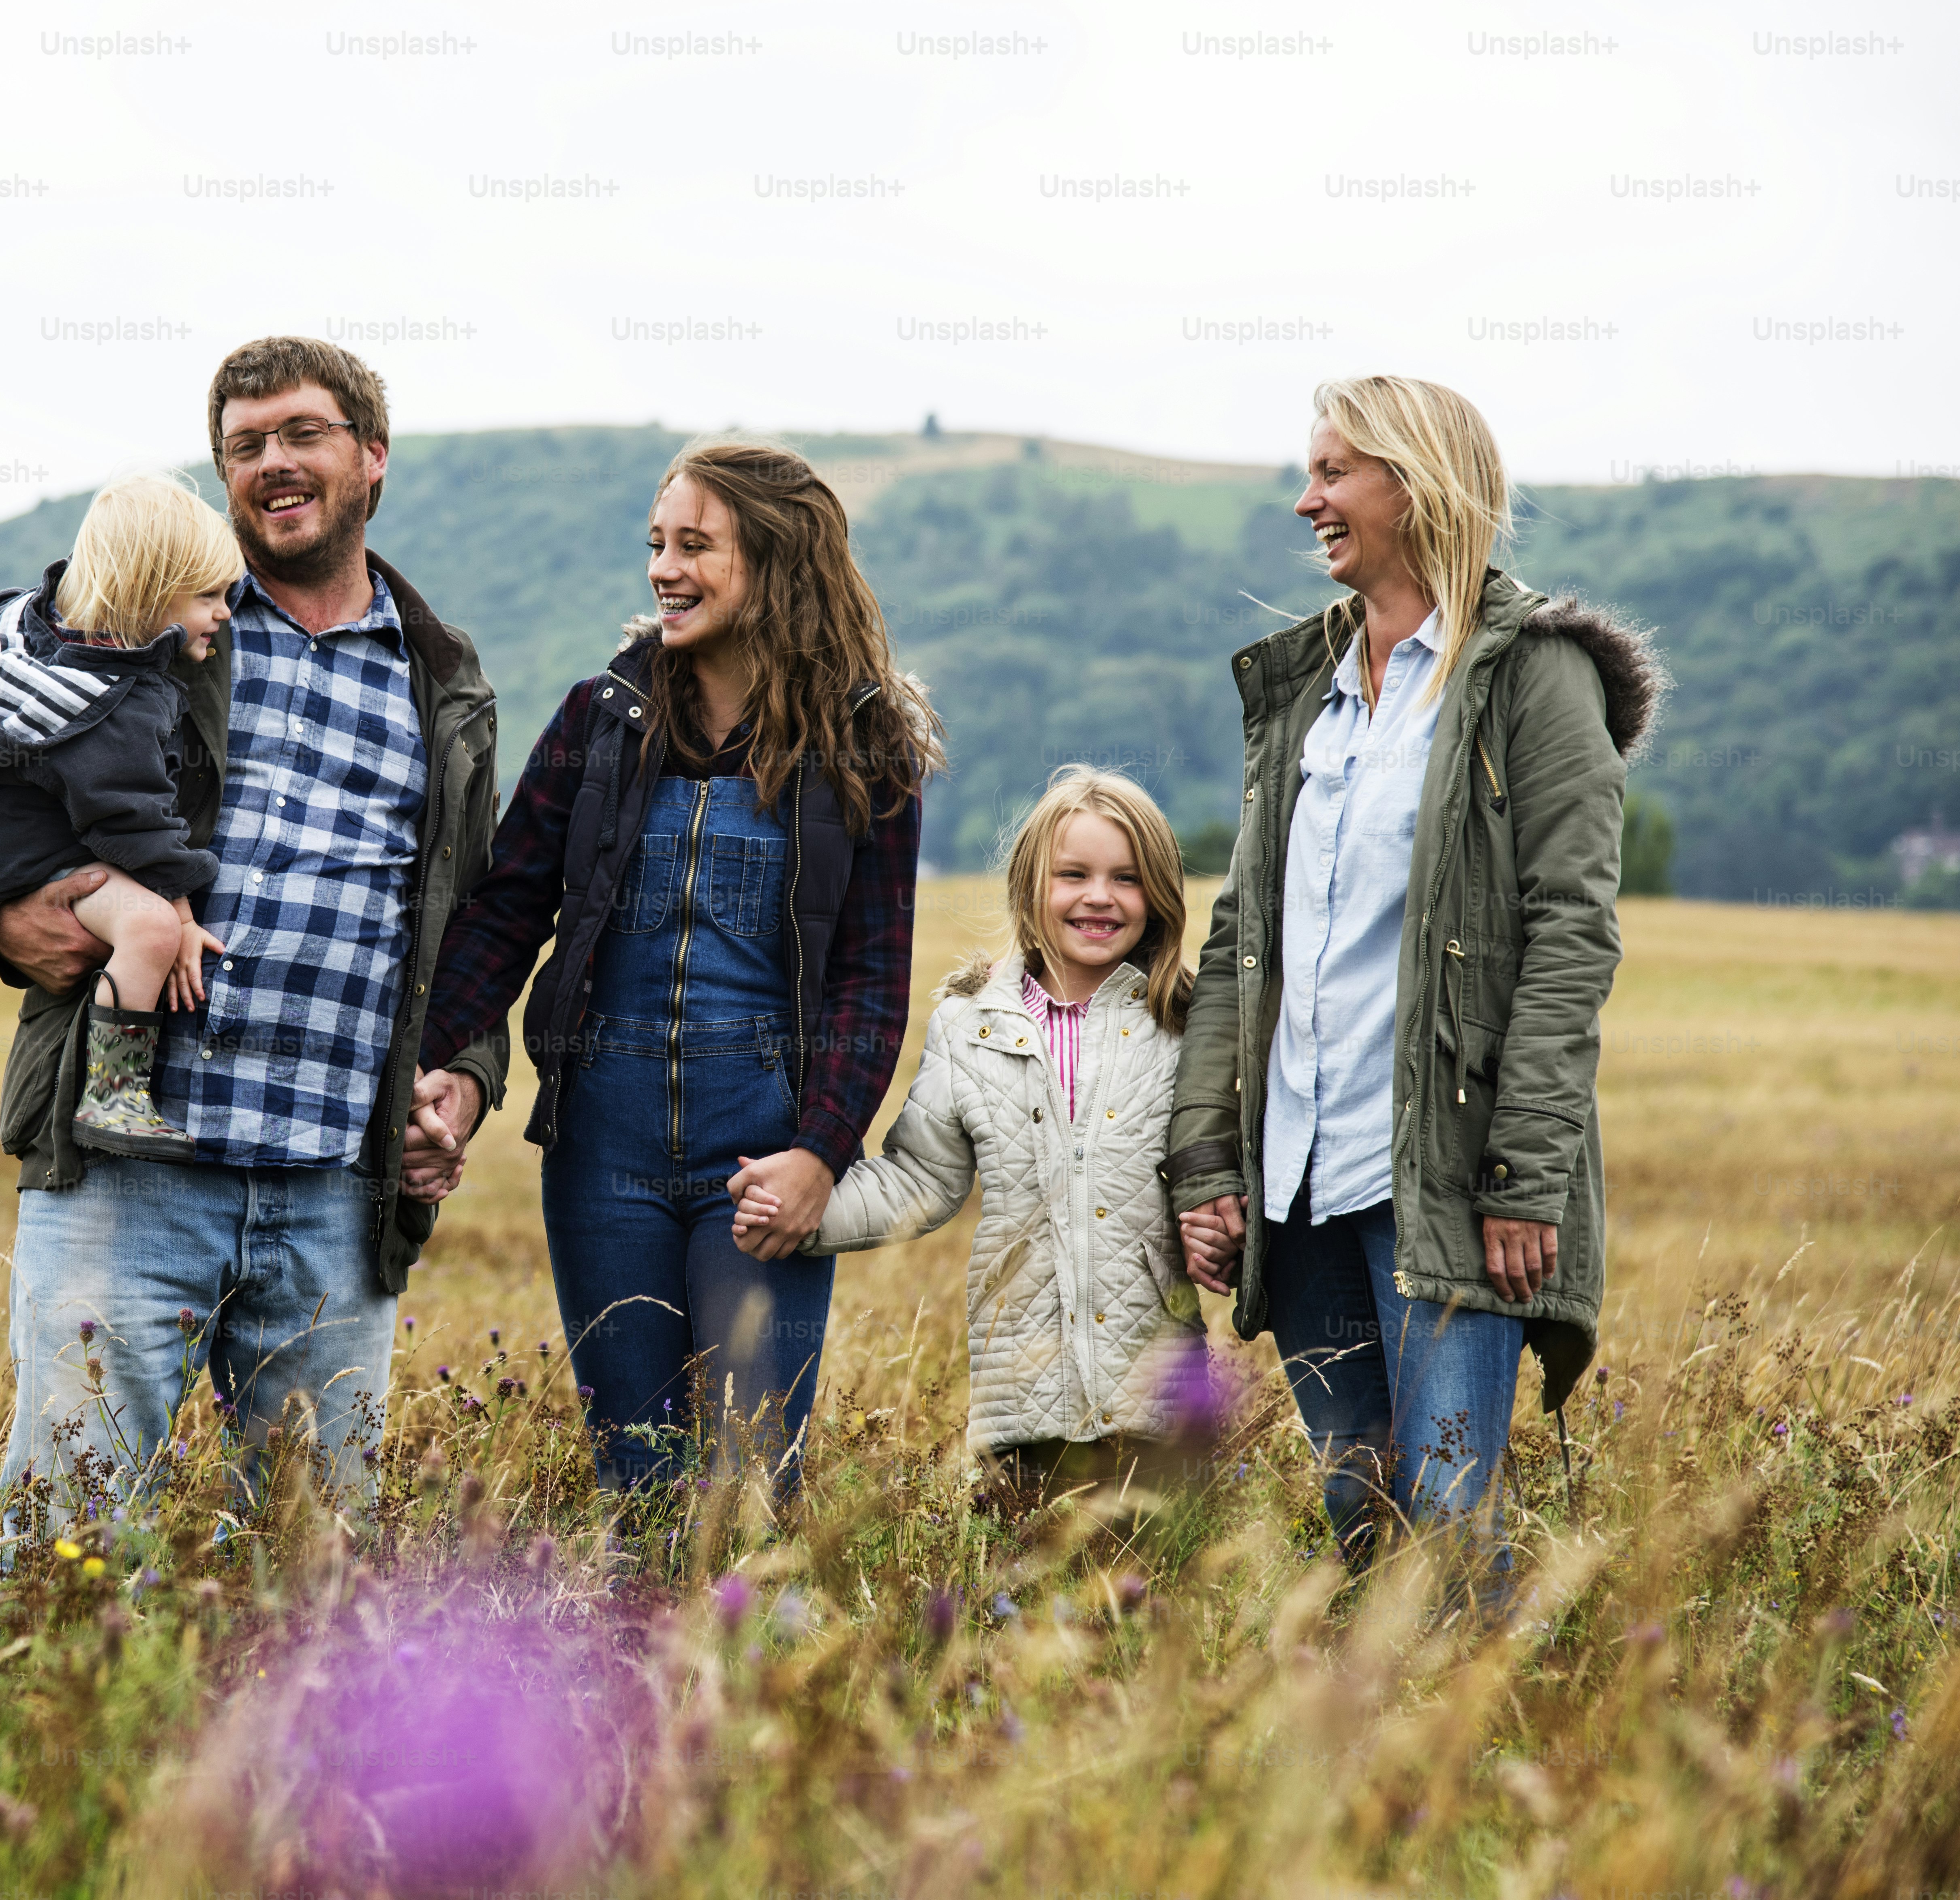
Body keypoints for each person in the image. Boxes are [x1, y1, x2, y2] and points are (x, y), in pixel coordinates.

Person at [0, 338, 507, 1540]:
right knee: (66, 1547)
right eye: (244, 445)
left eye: (302, 434)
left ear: (371, 458)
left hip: (336, 1190)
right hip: (129, 1177)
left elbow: (469, 922)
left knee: (312, 1573)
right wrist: (3, 915)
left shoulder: (442, 682)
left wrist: (471, 1080)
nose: (272, 462)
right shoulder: (145, 624)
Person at [1169, 375, 1664, 1611]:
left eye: (1333, 473)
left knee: (1449, 1514)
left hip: (1442, 1171)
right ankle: (1382, 1782)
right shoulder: (1307, 692)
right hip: (1298, 1169)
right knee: (1357, 1504)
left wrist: (1522, 1173)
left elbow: (1570, 936)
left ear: (1415, 483)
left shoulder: (1532, 680)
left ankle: (1485, 1762)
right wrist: (1208, 1162)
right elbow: (1244, 936)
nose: (1306, 501)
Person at [410, 439, 938, 1490]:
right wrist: (439, 1070)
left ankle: (742, 1661)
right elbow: (508, 908)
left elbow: (870, 982)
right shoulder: (596, 722)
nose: (664, 569)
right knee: (638, 1481)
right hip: (601, 1162)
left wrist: (821, 1153)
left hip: (762, 1167)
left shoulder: (861, 743)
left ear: (778, 562)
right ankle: (643, 1657)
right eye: (657, 544)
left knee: (748, 1486)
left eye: (696, 545)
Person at [741, 767, 1207, 1490]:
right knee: (1025, 1594)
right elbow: (921, 1177)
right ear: (1030, 887)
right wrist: (802, 1213)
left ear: (1160, 894)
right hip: (1019, 1408)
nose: (1099, 897)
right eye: (1074, 874)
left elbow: (1222, 1171)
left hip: (1162, 1409)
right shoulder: (971, 1026)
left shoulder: (1184, 1023)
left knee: (1166, 1595)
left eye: (1127, 878)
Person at [0, 471, 238, 1159]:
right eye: (210, 596)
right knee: (149, 929)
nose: (225, 614)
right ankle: (114, 1096)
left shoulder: (25, 635)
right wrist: (181, 912)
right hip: (39, 860)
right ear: (154, 597)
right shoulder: (116, 706)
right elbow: (134, 825)